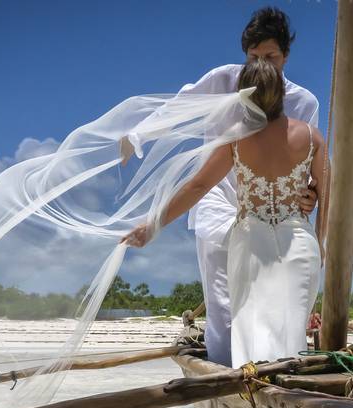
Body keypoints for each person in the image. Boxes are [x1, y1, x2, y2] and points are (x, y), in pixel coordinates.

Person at [120, 7, 319, 366]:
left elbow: (308, 164)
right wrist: (138, 136)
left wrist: (312, 194)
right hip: (216, 191)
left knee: (273, 292)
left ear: (286, 56)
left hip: (268, 206)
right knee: (222, 296)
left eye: (270, 57)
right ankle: (226, 371)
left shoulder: (304, 102)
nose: (261, 66)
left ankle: (271, 365)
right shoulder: (222, 80)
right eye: (253, 57)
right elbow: (178, 108)